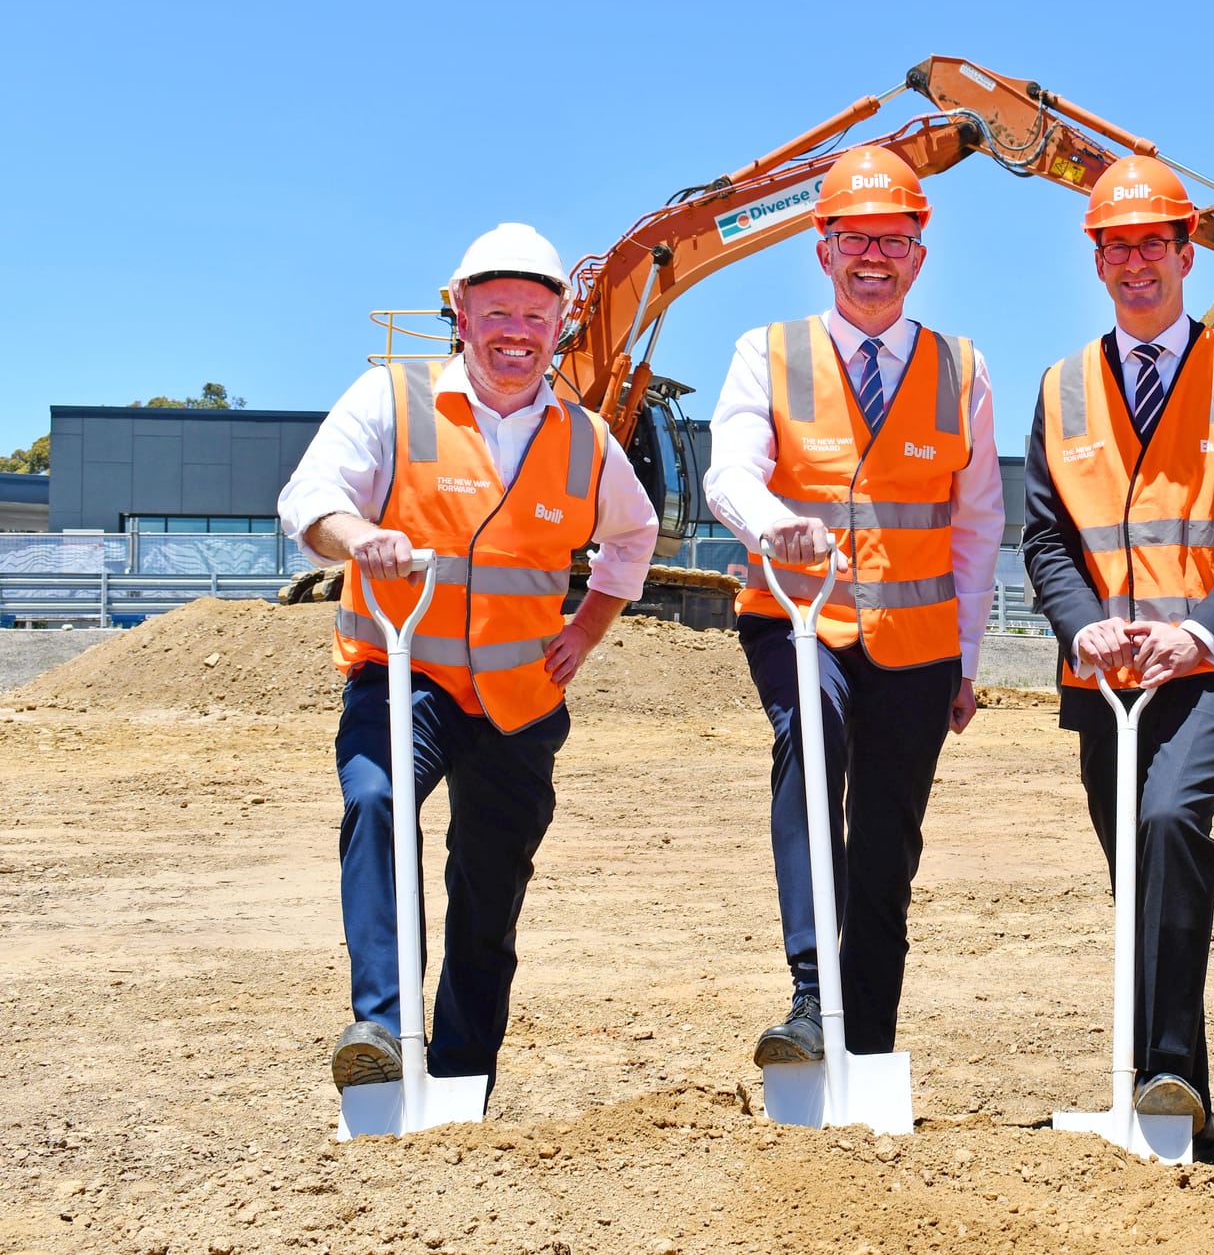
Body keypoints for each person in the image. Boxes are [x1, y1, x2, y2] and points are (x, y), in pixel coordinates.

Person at [278, 222, 659, 1096]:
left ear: (561, 322)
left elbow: (633, 535)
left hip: (521, 698)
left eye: (534, 313)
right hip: (401, 675)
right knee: (374, 801)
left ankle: (460, 1075)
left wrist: (588, 628)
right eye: (496, 312)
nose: (516, 332)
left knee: (488, 892)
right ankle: (379, 1022)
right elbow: (310, 498)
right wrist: (360, 536)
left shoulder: (586, 438)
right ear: (459, 312)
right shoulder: (392, 400)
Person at [1021, 156, 1214, 1161]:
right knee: (1133, 866)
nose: (1136, 262)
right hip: (1103, 677)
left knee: (1168, 819)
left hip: (1213, 668)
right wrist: (1079, 625)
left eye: (1153, 242)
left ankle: (1170, 1065)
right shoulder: (1060, 389)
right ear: (1095, 259)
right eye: (1117, 245)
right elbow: (1045, 538)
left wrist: (1201, 630)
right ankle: (1161, 1089)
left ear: (1189, 253)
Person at [703, 146, 1005, 1068]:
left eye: (894, 238)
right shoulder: (768, 352)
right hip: (798, 618)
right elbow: (729, 471)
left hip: (916, 643)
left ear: (920, 253)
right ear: (821, 248)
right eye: (853, 238)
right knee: (814, 733)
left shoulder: (962, 368)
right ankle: (808, 993)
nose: (873, 254)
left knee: (887, 841)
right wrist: (773, 524)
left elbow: (977, 523)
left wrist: (965, 661)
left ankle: (866, 1041)